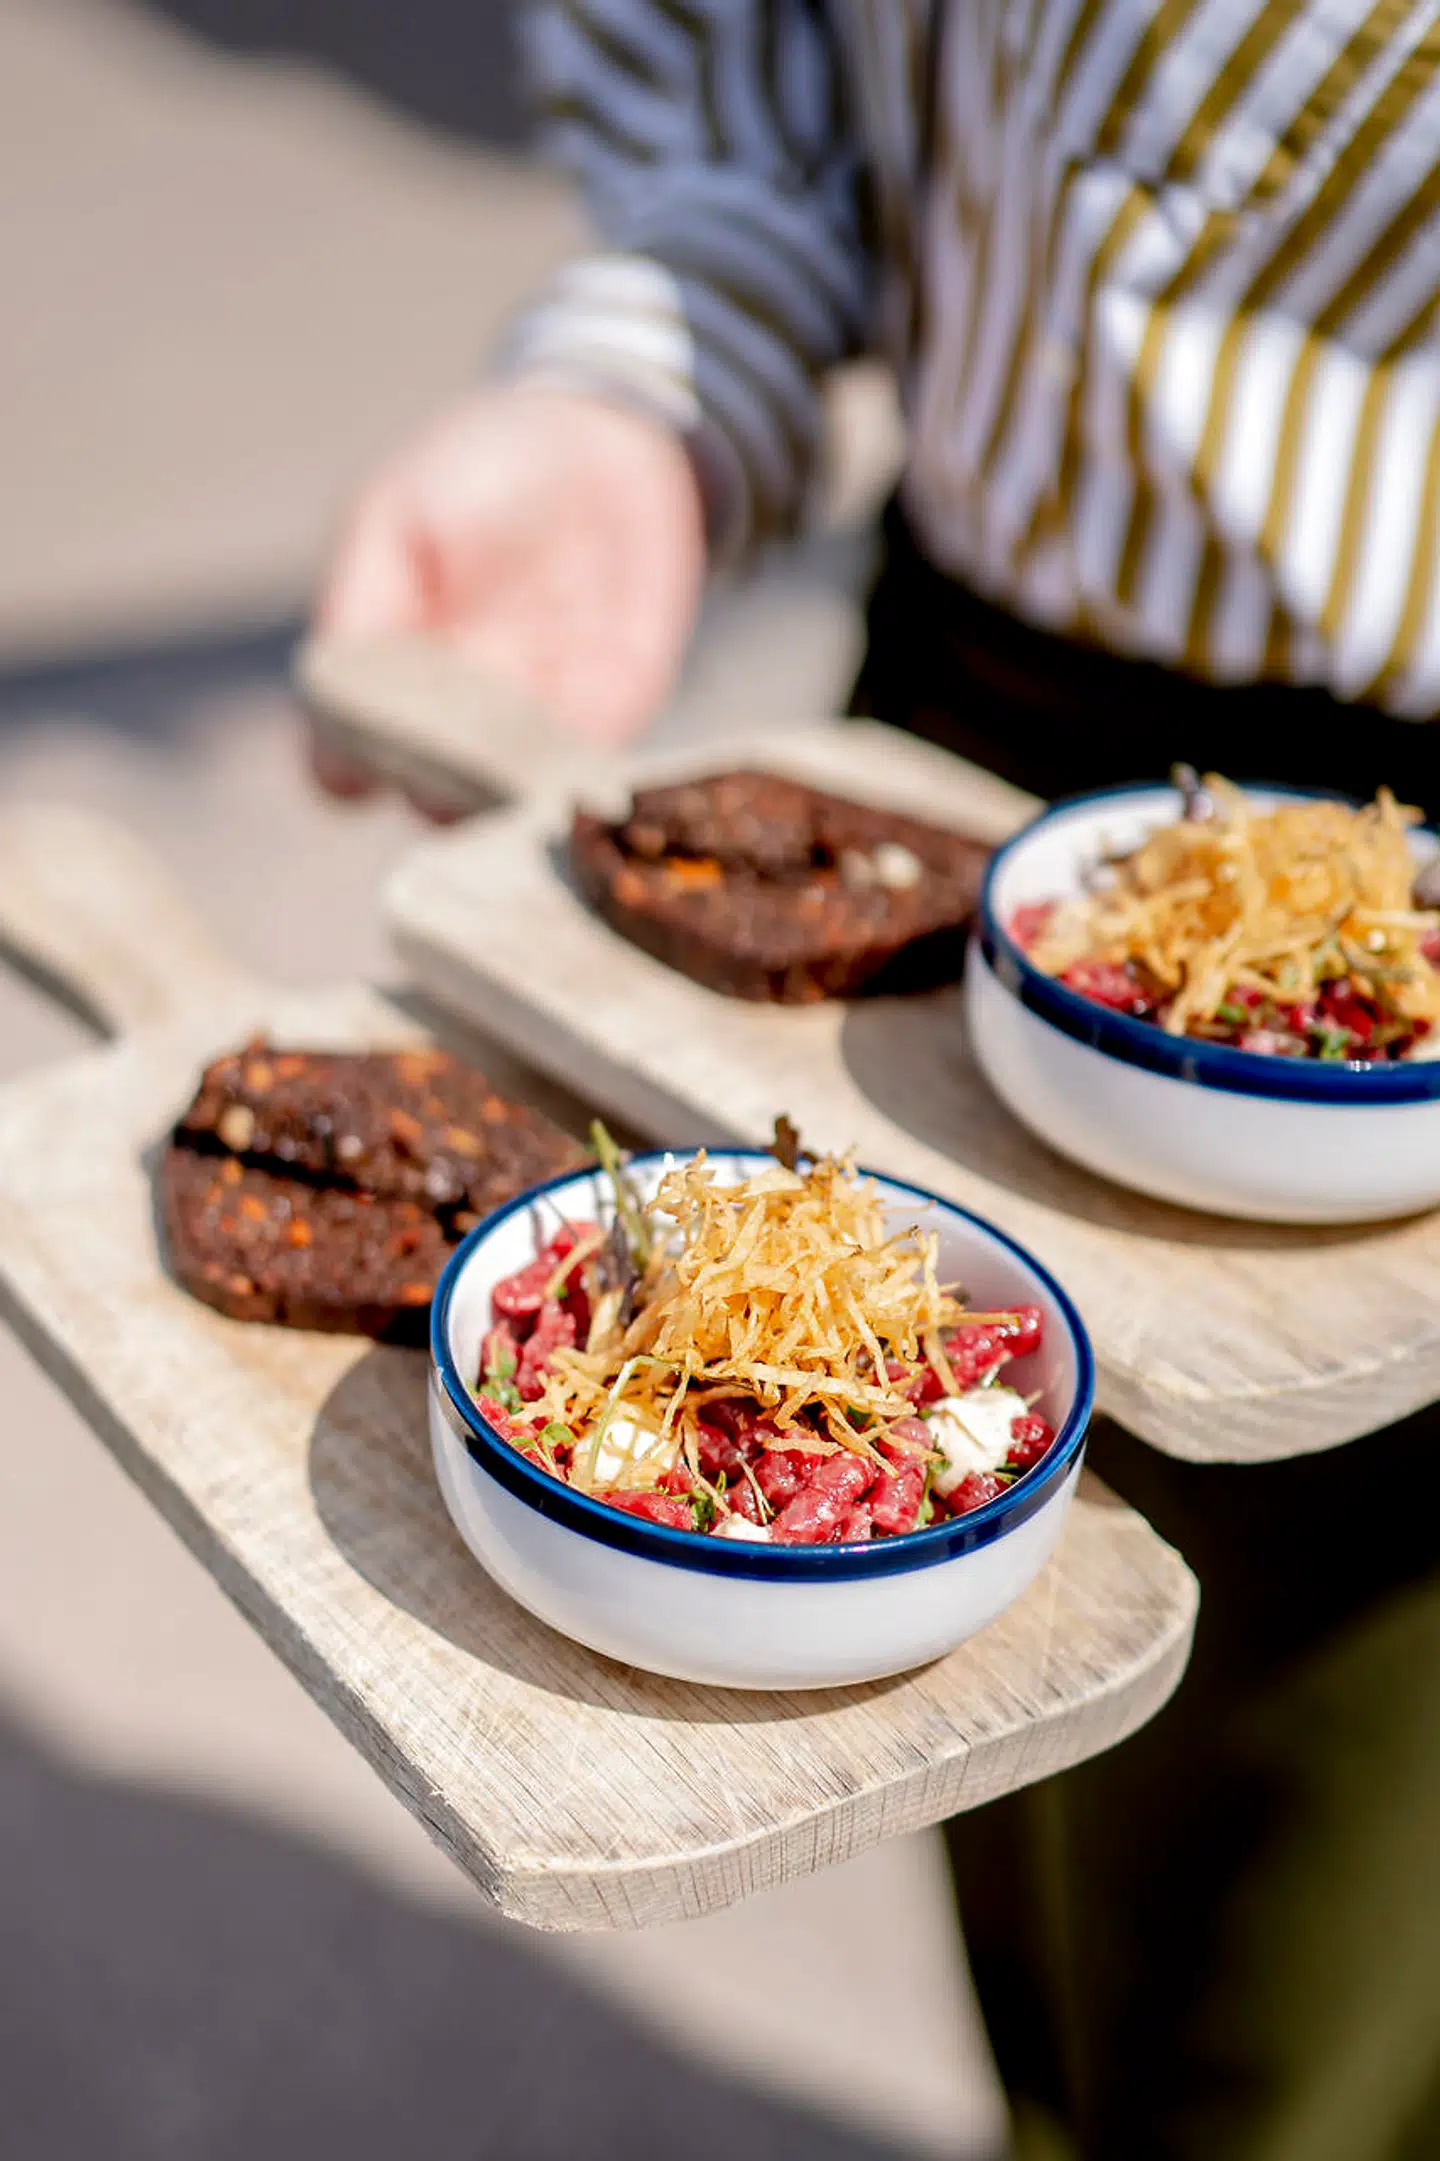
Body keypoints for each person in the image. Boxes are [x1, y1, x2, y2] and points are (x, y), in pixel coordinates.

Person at [314, 8, 1440, 2157]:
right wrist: (648, 386)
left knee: (1291, 2016)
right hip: (977, 731)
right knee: (1018, 1870)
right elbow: (734, 72)